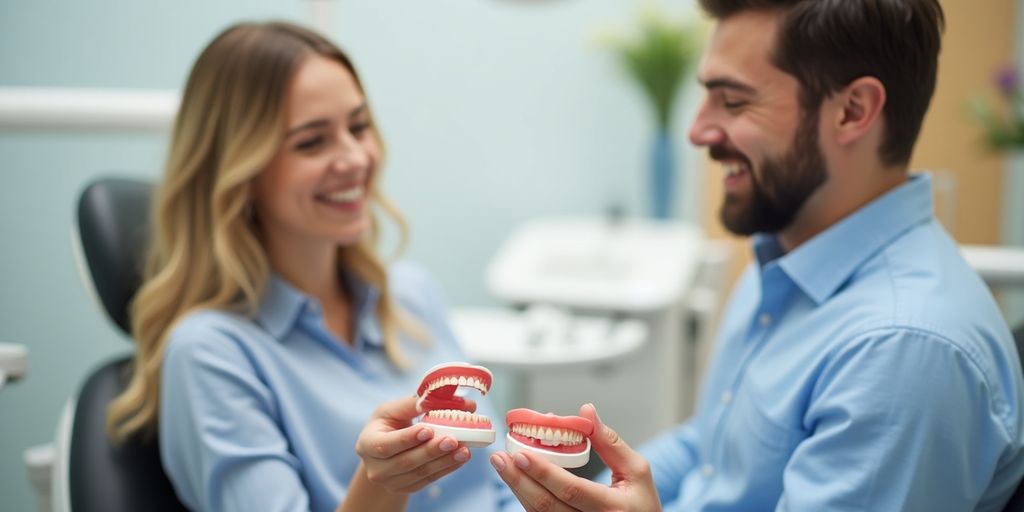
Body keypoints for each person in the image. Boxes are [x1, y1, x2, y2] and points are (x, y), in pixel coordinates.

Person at [491, 0, 1024, 510]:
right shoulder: (784, 256)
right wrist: (588, 493)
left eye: (734, 100)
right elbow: (710, 454)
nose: (698, 130)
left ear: (852, 111)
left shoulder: (900, 351)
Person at [104, 21, 518, 512]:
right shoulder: (211, 354)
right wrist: (382, 484)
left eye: (359, 126)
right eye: (311, 142)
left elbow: (498, 492)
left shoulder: (411, 293)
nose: (355, 157)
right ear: (242, 171)